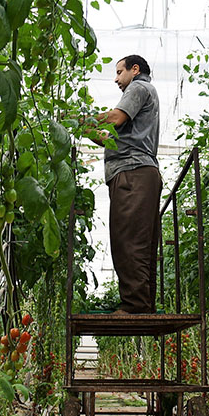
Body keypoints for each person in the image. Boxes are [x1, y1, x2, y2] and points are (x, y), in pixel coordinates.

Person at [88, 54, 161, 314]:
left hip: (133, 173)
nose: (116, 78)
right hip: (139, 173)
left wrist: (81, 119)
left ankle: (135, 305)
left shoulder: (138, 87)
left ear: (135, 69)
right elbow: (109, 137)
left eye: (120, 72)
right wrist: (84, 130)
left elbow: (115, 119)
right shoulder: (143, 93)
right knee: (138, 238)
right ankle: (142, 303)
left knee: (129, 239)